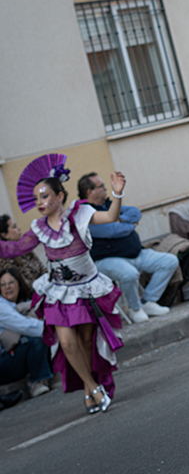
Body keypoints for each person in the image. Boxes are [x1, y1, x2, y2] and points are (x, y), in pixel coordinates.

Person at [0, 155, 126, 414]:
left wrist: (117, 193)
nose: (39, 203)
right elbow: (14, 249)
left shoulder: (80, 214)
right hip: (58, 292)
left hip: (86, 290)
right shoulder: (38, 228)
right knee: (67, 342)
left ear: (59, 196)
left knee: (86, 341)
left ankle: (94, 383)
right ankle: (91, 387)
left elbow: (112, 217)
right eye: (36, 199)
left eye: (44, 196)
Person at [77, 173, 178, 323]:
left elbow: (135, 213)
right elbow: (110, 231)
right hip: (107, 259)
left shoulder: (109, 205)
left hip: (134, 254)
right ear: (89, 191)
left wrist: (121, 220)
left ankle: (148, 301)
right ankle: (134, 308)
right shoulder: (84, 213)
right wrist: (128, 226)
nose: (106, 188)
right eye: (102, 186)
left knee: (169, 261)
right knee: (130, 275)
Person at [0, 267, 54, 398]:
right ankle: (36, 382)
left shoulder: (21, 304)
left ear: (19, 283)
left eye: (11, 282)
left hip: (13, 357)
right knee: (37, 340)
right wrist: (55, 327)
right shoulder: (1, 307)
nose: (7, 287)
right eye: (2, 284)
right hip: (4, 364)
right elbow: (25, 326)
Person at [0, 214, 46, 284]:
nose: (19, 228)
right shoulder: (6, 260)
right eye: (14, 227)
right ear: (5, 235)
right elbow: (23, 285)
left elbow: (42, 268)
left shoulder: (24, 248)